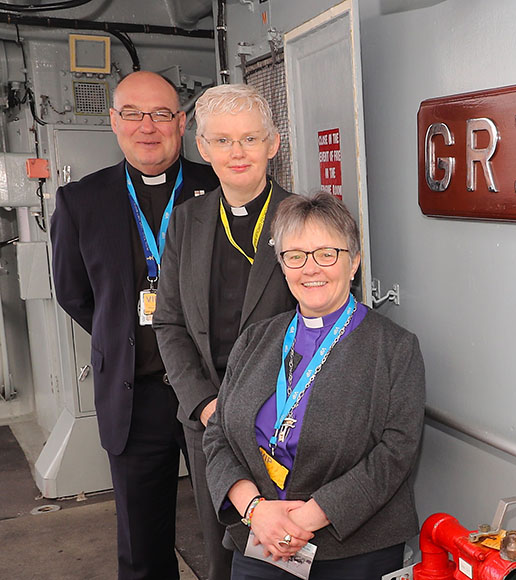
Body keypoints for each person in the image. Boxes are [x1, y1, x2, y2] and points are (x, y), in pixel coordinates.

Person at [50, 70, 220, 579]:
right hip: (134, 397)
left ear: (182, 123)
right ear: (113, 122)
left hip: (213, 393)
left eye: (162, 114)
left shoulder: (216, 187)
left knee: (232, 530)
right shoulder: (81, 201)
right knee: (142, 547)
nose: (148, 127)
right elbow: (74, 295)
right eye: (133, 114)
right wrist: (126, 342)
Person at [203, 193, 425, 580]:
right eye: (296, 255)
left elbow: (395, 454)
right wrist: (256, 510)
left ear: (353, 261)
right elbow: (219, 433)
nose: (311, 269)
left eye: (327, 253)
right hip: (260, 540)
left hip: (354, 551)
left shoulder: (395, 349)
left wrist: (309, 516)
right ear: (282, 265)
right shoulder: (255, 339)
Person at [153, 83, 297, 580]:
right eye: (223, 140)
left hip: (286, 420)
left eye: (250, 139)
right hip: (209, 419)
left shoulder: (306, 218)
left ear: (273, 144)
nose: (237, 153)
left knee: (288, 553)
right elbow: (168, 321)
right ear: (203, 148)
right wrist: (203, 404)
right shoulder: (186, 221)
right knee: (222, 557)